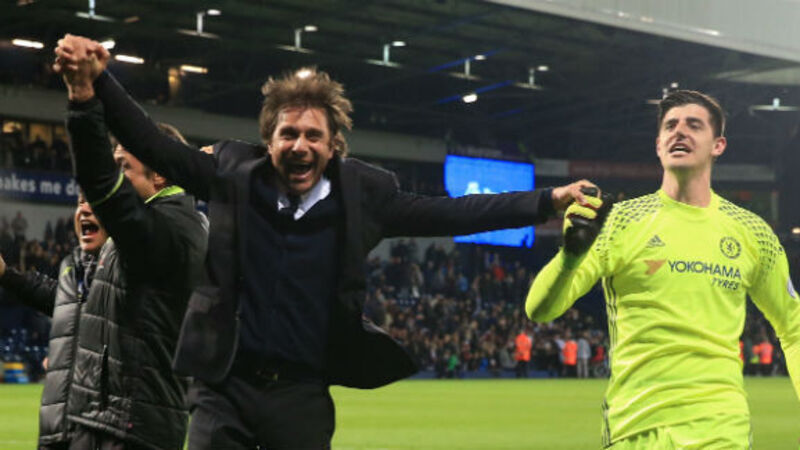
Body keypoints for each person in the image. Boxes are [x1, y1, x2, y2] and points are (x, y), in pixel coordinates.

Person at [53, 33, 597, 448]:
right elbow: (154, 145)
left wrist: (547, 200)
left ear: (334, 146)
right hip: (225, 388)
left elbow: (454, 213)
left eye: (313, 135)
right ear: (268, 143)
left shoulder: (366, 198)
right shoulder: (231, 176)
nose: (300, 145)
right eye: (288, 134)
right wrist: (99, 82)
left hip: (302, 394)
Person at [525, 90, 800, 447]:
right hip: (635, 431)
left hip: (722, 432)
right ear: (658, 145)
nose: (679, 131)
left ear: (718, 145)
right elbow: (539, 310)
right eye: (670, 126)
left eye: (694, 125)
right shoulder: (617, 222)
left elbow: (793, 327)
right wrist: (570, 256)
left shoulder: (752, 233)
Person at [2, 115, 207, 448]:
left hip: (131, 425)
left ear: (159, 174)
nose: (113, 183)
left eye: (122, 167)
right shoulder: (121, 244)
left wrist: (85, 108)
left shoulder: (168, 230)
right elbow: (83, 306)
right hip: (103, 420)